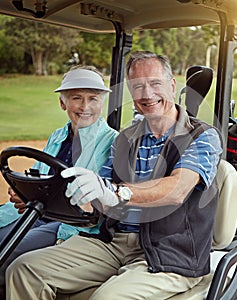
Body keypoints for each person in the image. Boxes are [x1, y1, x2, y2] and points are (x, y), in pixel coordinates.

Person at [6, 51, 223, 300]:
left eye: (155, 83)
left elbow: (177, 190)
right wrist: (52, 198)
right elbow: (98, 198)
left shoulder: (202, 135)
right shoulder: (125, 139)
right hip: (112, 242)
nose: (147, 94)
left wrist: (118, 192)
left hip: (170, 252)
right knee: (23, 270)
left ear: (172, 85)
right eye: (138, 86)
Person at [0, 65, 118, 299]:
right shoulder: (58, 136)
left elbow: (98, 201)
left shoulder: (113, 142)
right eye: (76, 98)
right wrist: (22, 192)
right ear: (63, 103)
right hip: (35, 214)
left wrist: (36, 199)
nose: (85, 107)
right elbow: (38, 175)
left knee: (6, 255)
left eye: (93, 98)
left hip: (68, 225)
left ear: (102, 103)